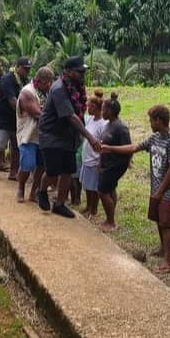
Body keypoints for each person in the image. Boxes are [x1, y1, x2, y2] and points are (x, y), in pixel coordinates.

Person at [101, 104, 170, 270]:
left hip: (168, 190)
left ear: (159, 121)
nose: (150, 124)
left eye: (151, 121)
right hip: (156, 187)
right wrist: (110, 148)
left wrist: (160, 190)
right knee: (159, 220)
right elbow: (134, 147)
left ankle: (167, 258)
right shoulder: (154, 138)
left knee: (166, 223)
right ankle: (162, 248)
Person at [37, 56, 102, 218]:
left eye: (84, 71)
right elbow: (71, 116)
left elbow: (79, 112)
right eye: (80, 71)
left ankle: (59, 204)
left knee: (68, 170)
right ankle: (42, 190)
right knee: (52, 171)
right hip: (51, 135)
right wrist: (90, 137)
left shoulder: (77, 87)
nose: (83, 74)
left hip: (67, 135)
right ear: (68, 71)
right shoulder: (59, 88)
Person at [16, 66, 54, 202]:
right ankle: (20, 188)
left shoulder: (48, 92)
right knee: (27, 164)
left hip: (43, 136)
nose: (49, 85)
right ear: (39, 80)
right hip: (28, 135)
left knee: (42, 165)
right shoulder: (27, 92)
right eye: (46, 82)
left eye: (50, 82)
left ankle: (33, 192)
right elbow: (38, 114)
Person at [95, 94, 131, 232]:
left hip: (115, 165)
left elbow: (128, 148)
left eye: (104, 109)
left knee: (102, 192)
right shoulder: (108, 125)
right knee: (110, 190)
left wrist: (127, 162)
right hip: (106, 163)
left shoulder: (121, 128)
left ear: (110, 111)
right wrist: (100, 160)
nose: (102, 112)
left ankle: (111, 222)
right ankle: (109, 218)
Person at [0, 58, 29, 181]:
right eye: (25, 68)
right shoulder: (8, 79)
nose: (27, 71)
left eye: (29, 69)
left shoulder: (24, 80)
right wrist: (28, 112)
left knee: (16, 146)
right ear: (17, 67)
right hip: (3, 118)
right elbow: (12, 101)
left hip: (16, 119)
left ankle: (13, 171)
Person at [80, 90, 107, 217]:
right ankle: (88, 206)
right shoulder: (90, 119)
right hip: (87, 157)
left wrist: (100, 160)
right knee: (87, 186)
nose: (87, 108)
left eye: (89, 106)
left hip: (95, 159)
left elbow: (103, 144)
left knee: (93, 187)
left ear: (95, 108)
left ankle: (94, 209)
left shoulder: (103, 124)